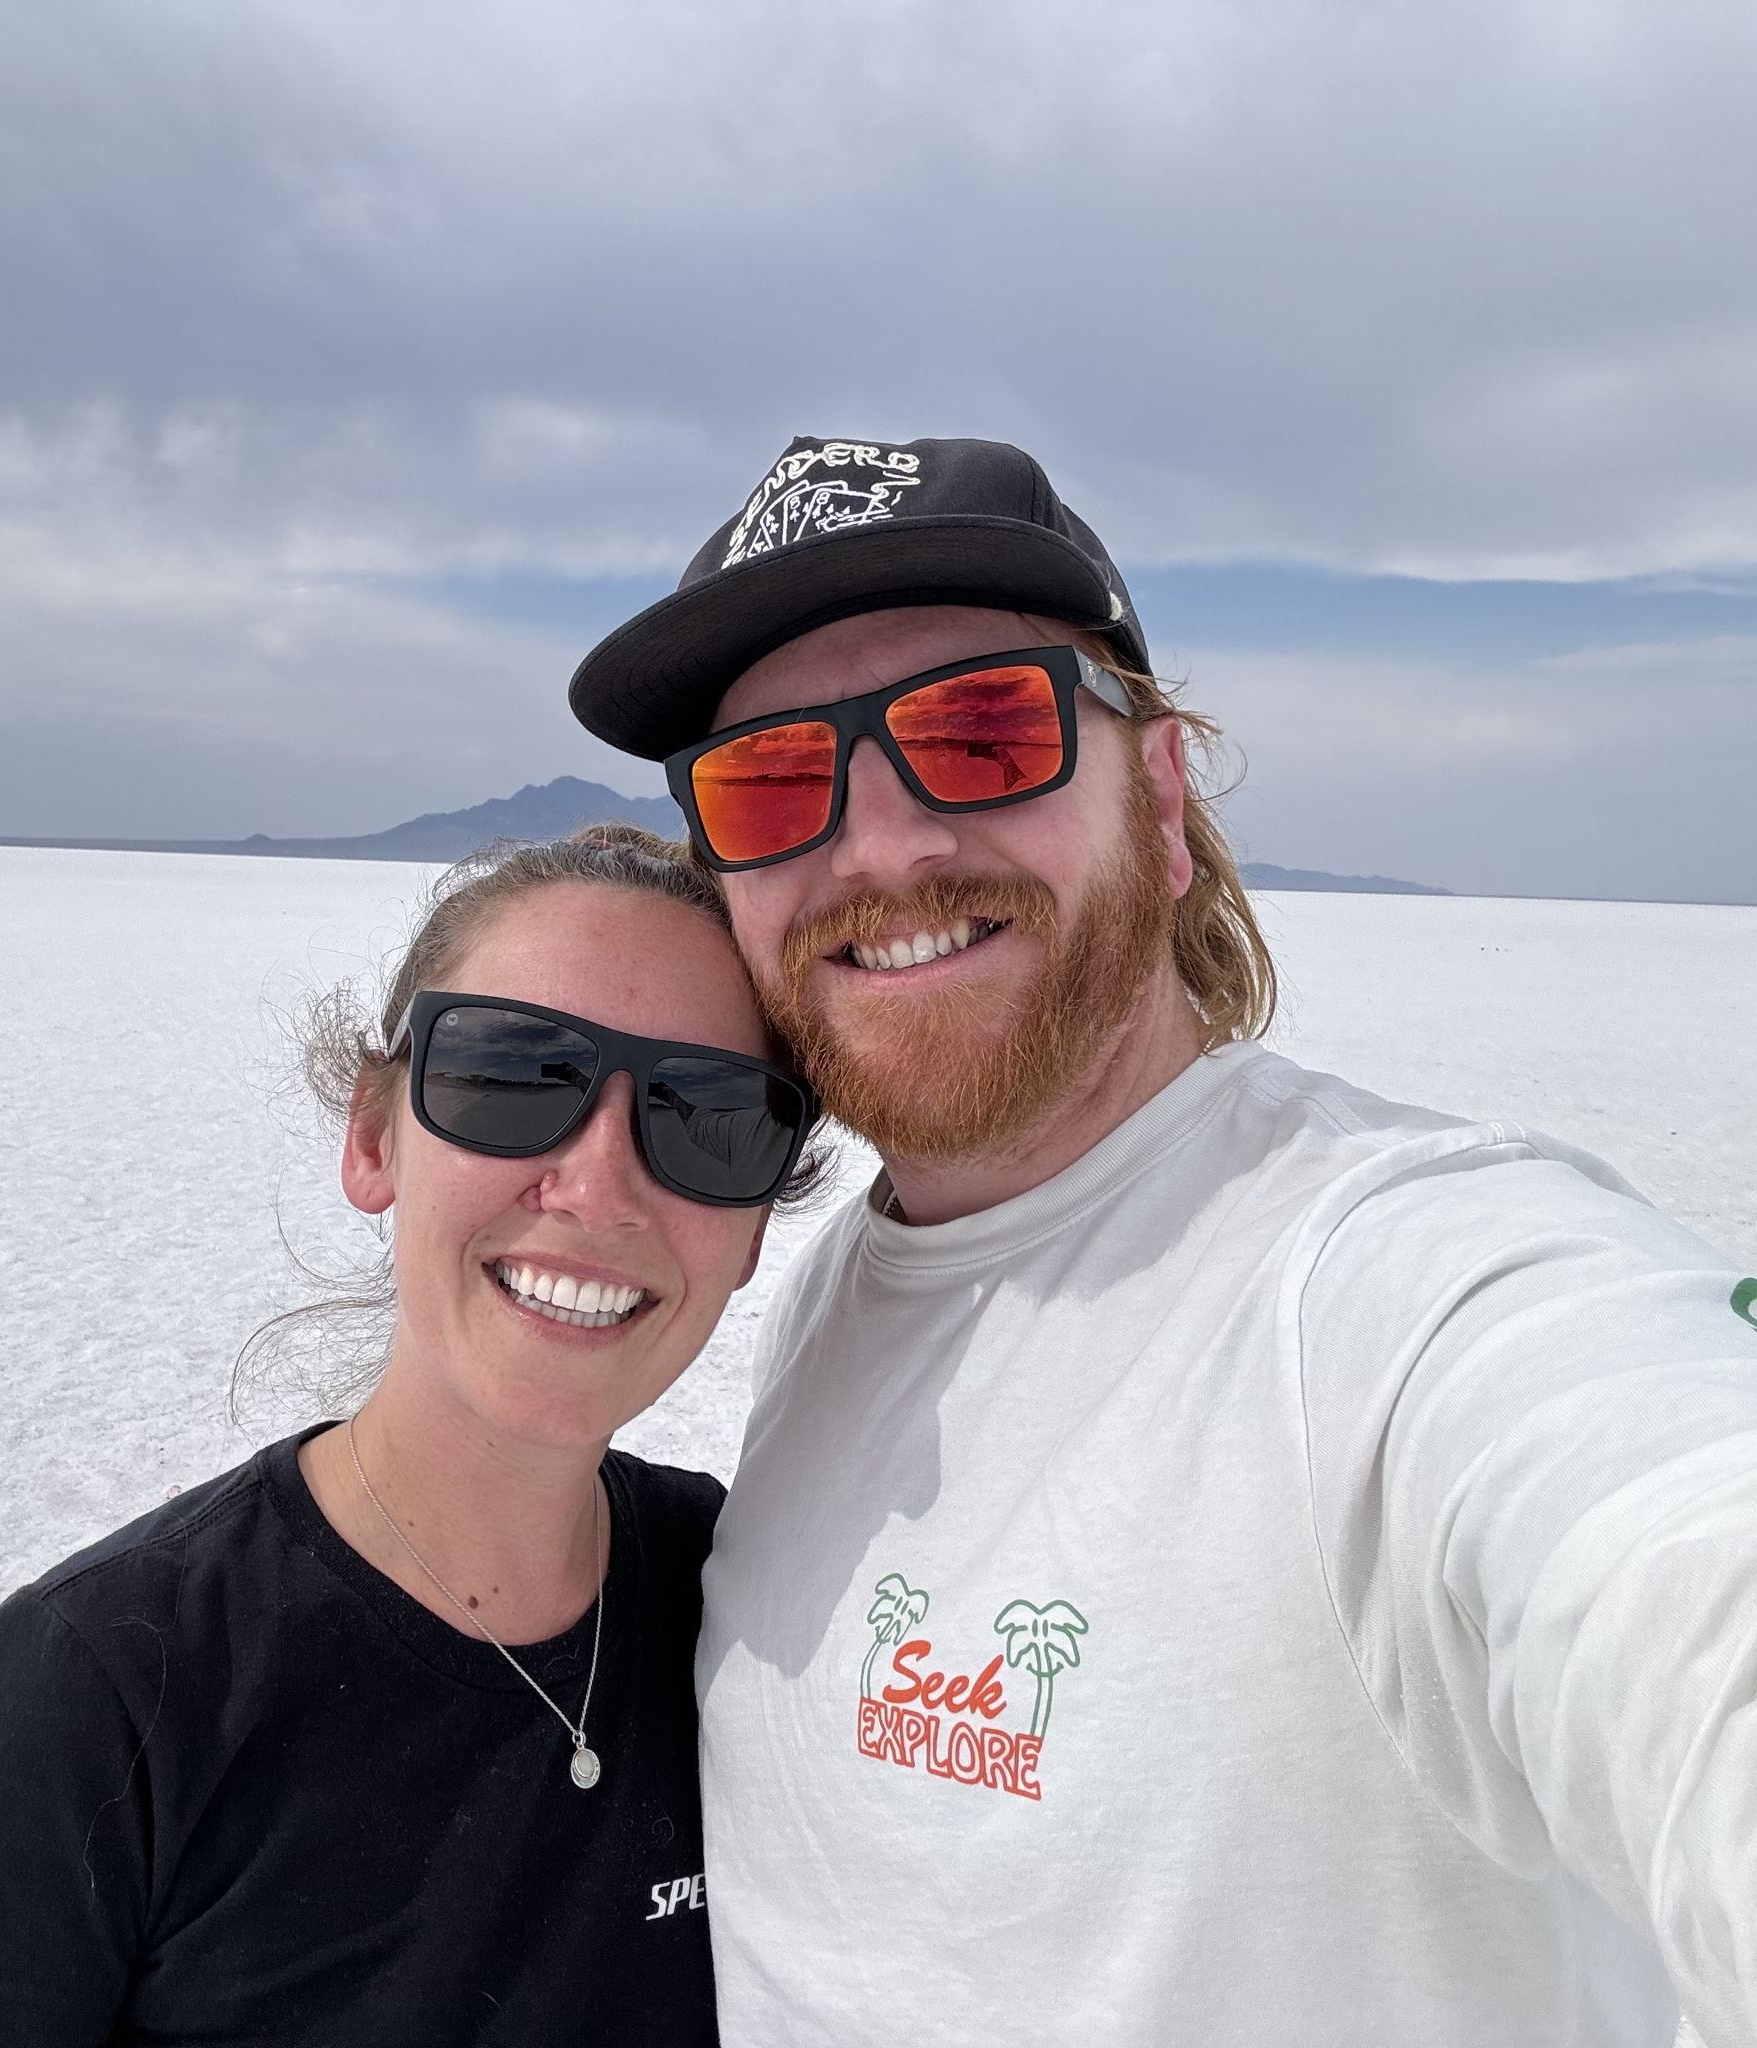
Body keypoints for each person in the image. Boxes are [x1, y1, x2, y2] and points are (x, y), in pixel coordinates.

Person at [568, 436, 1757, 2048]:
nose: (882, 847)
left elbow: (1668, 1549)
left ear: (1166, 794)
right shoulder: (847, 1282)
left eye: (983, 733)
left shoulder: (1393, 1282)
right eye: (772, 782)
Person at [0, 825, 821, 2048]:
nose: (599, 1181)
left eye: (709, 1113)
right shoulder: (81, 1714)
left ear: (755, 1228)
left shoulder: (765, 1613)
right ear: (370, 1137)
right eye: (509, 1075)